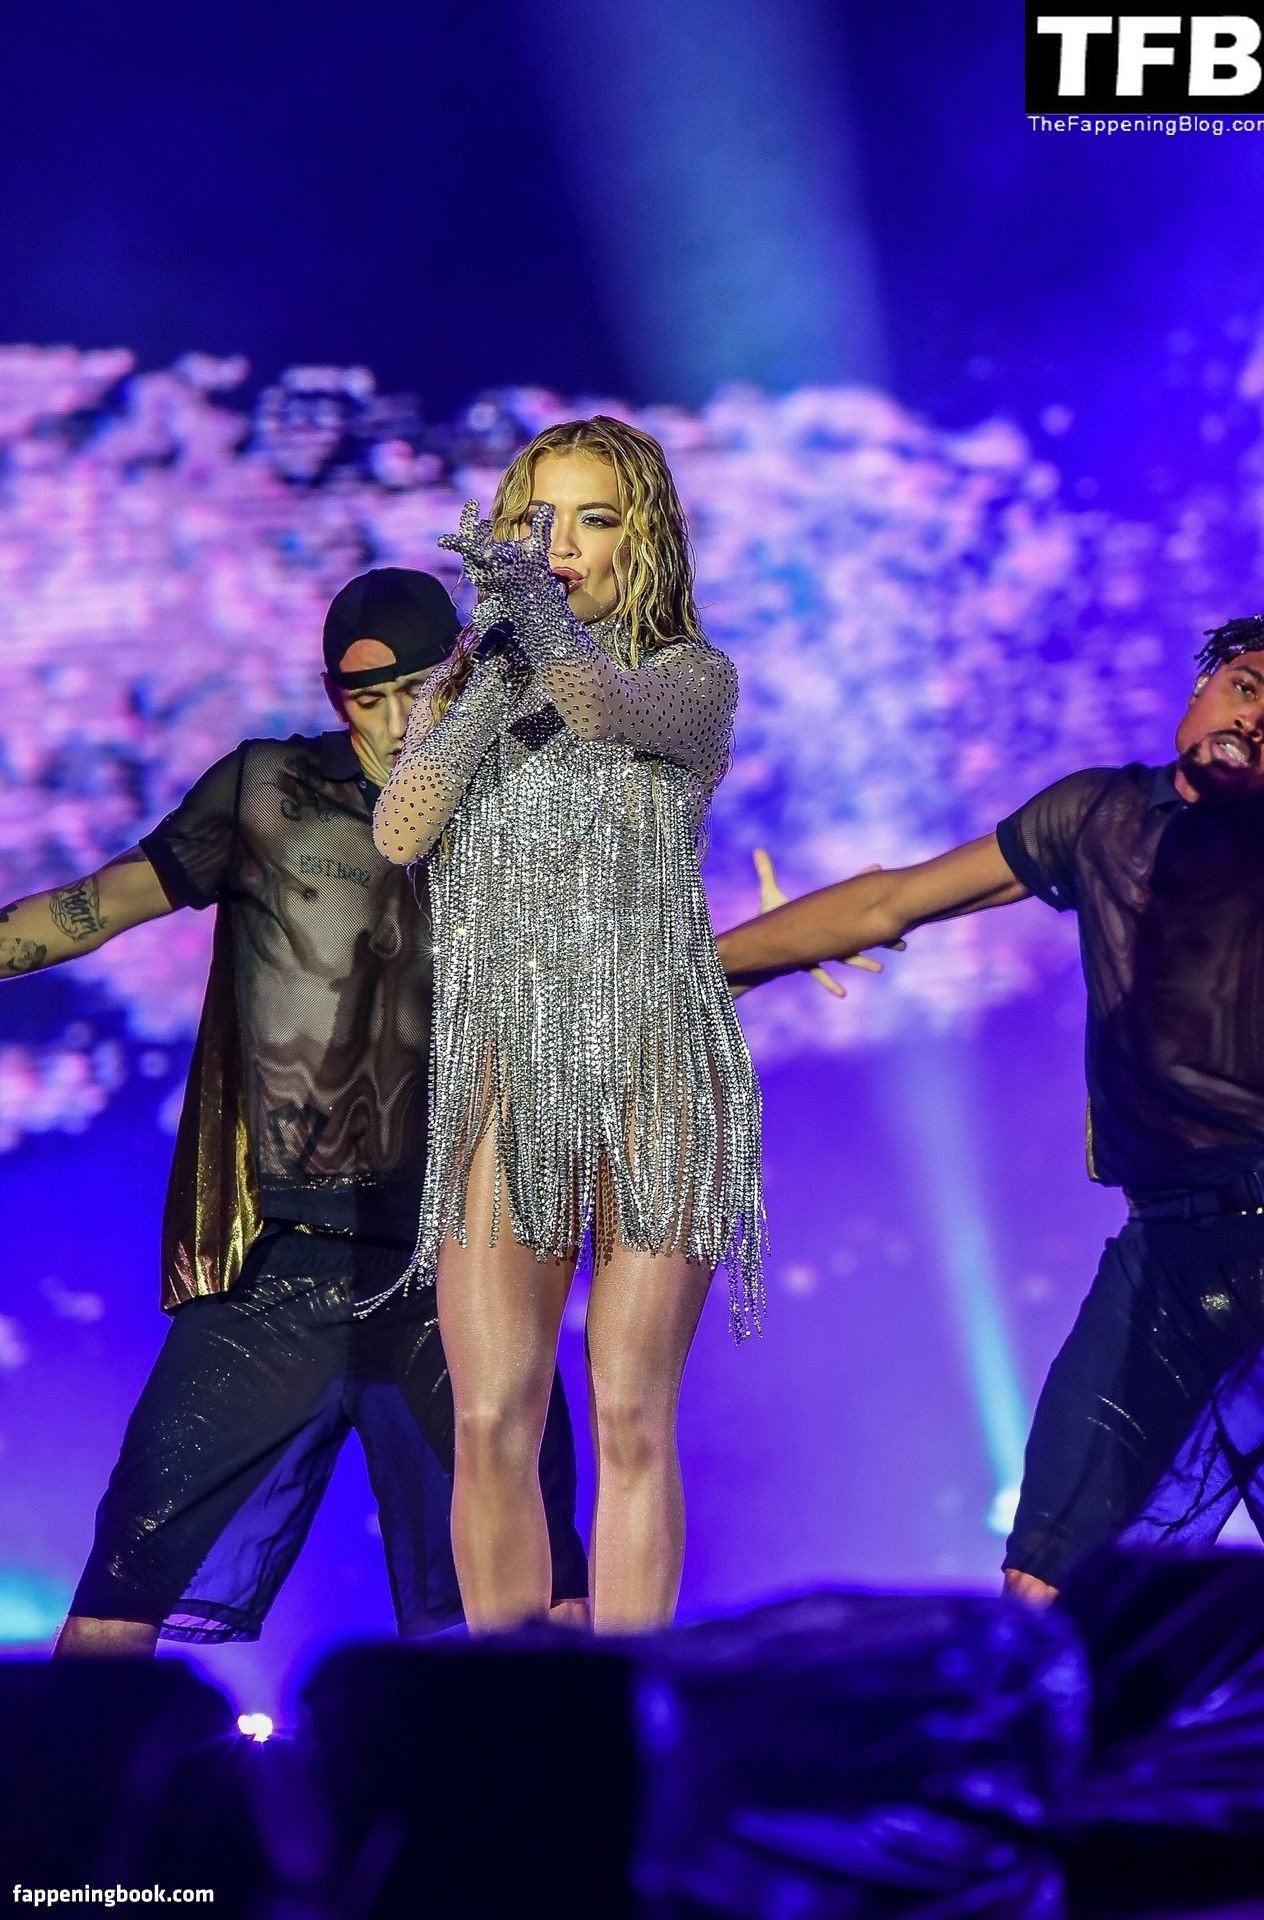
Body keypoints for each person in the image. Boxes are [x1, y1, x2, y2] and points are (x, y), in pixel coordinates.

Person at [1, 567, 587, 1654]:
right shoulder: (270, 793)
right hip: (275, 1264)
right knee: (118, 1591)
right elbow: (100, 905)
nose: (398, 722)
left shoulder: (523, 807)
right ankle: (78, 1767)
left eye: (421, 692)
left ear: (463, 678)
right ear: (333, 698)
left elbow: (617, 975)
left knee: (541, 1607)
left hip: (458, 1265)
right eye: (368, 699)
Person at [717, 615, 1264, 1602]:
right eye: (1245, 685)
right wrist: (702, 968)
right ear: (1199, 690)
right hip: (1164, 1255)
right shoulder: (1099, 816)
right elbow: (887, 903)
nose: (1257, 719)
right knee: (1042, 1581)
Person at [373, 418, 765, 1632]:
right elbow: (400, 828)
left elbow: (597, 705)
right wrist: (487, 675)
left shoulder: (690, 680)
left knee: (631, 1414)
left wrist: (532, 623)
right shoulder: (476, 688)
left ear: (643, 538)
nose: (559, 547)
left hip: (656, 1065)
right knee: (492, 1415)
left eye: (593, 520)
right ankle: (514, 1704)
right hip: (505, 1074)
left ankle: (633, 1698)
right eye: (535, 522)